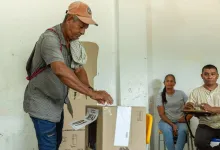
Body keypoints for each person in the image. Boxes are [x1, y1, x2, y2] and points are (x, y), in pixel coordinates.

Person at [23, 1, 113, 150]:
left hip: (57, 103)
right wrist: (92, 93)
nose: (83, 31)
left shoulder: (74, 42)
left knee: (56, 143)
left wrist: (91, 91)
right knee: (49, 146)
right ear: (70, 19)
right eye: (82, 26)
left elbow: (79, 70)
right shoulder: (49, 38)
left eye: (86, 28)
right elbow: (60, 69)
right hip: (42, 103)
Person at [184, 64, 220, 150]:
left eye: (213, 74)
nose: (209, 77)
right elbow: (189, 106)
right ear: (202, 76)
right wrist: (189, 106)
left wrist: (211, 109)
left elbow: (211, 109)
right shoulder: (196, 92)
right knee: (199, 142)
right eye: (206, 74)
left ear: (217, 76)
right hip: (205, 125)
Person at [157, 74, 191, 150]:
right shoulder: (160, 96)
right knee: (167, 130)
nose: (169, 83)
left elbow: (190, 107)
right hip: (166, 121)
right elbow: (161, 114)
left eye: (171, 81)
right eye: (167, 81)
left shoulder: (181, 93)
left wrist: (186, 118)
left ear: (174, 83)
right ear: (164, 83)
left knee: (183, 130)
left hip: (180, 121)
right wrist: (172, 124)